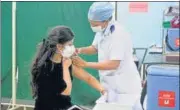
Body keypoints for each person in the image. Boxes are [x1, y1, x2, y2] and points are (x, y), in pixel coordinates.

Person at [73, 2, 142, 105]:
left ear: (105, 21)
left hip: (124, 87)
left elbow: (114, 64)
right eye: (90, 23)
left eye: (95, 24)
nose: (92, 26)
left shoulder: (118, 34)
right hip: (109, 85)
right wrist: (80, 50)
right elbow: (95, 48)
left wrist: (85, 64)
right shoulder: (102, 30)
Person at [30, 26, 106, 110]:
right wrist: (65, 68)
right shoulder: (44, 67)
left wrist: (102, 90)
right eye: (70, 44)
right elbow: (66, 91)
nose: (73, 47)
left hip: (64, 106)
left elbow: (88, 78)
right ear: (59, 47)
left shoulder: (66, 61)